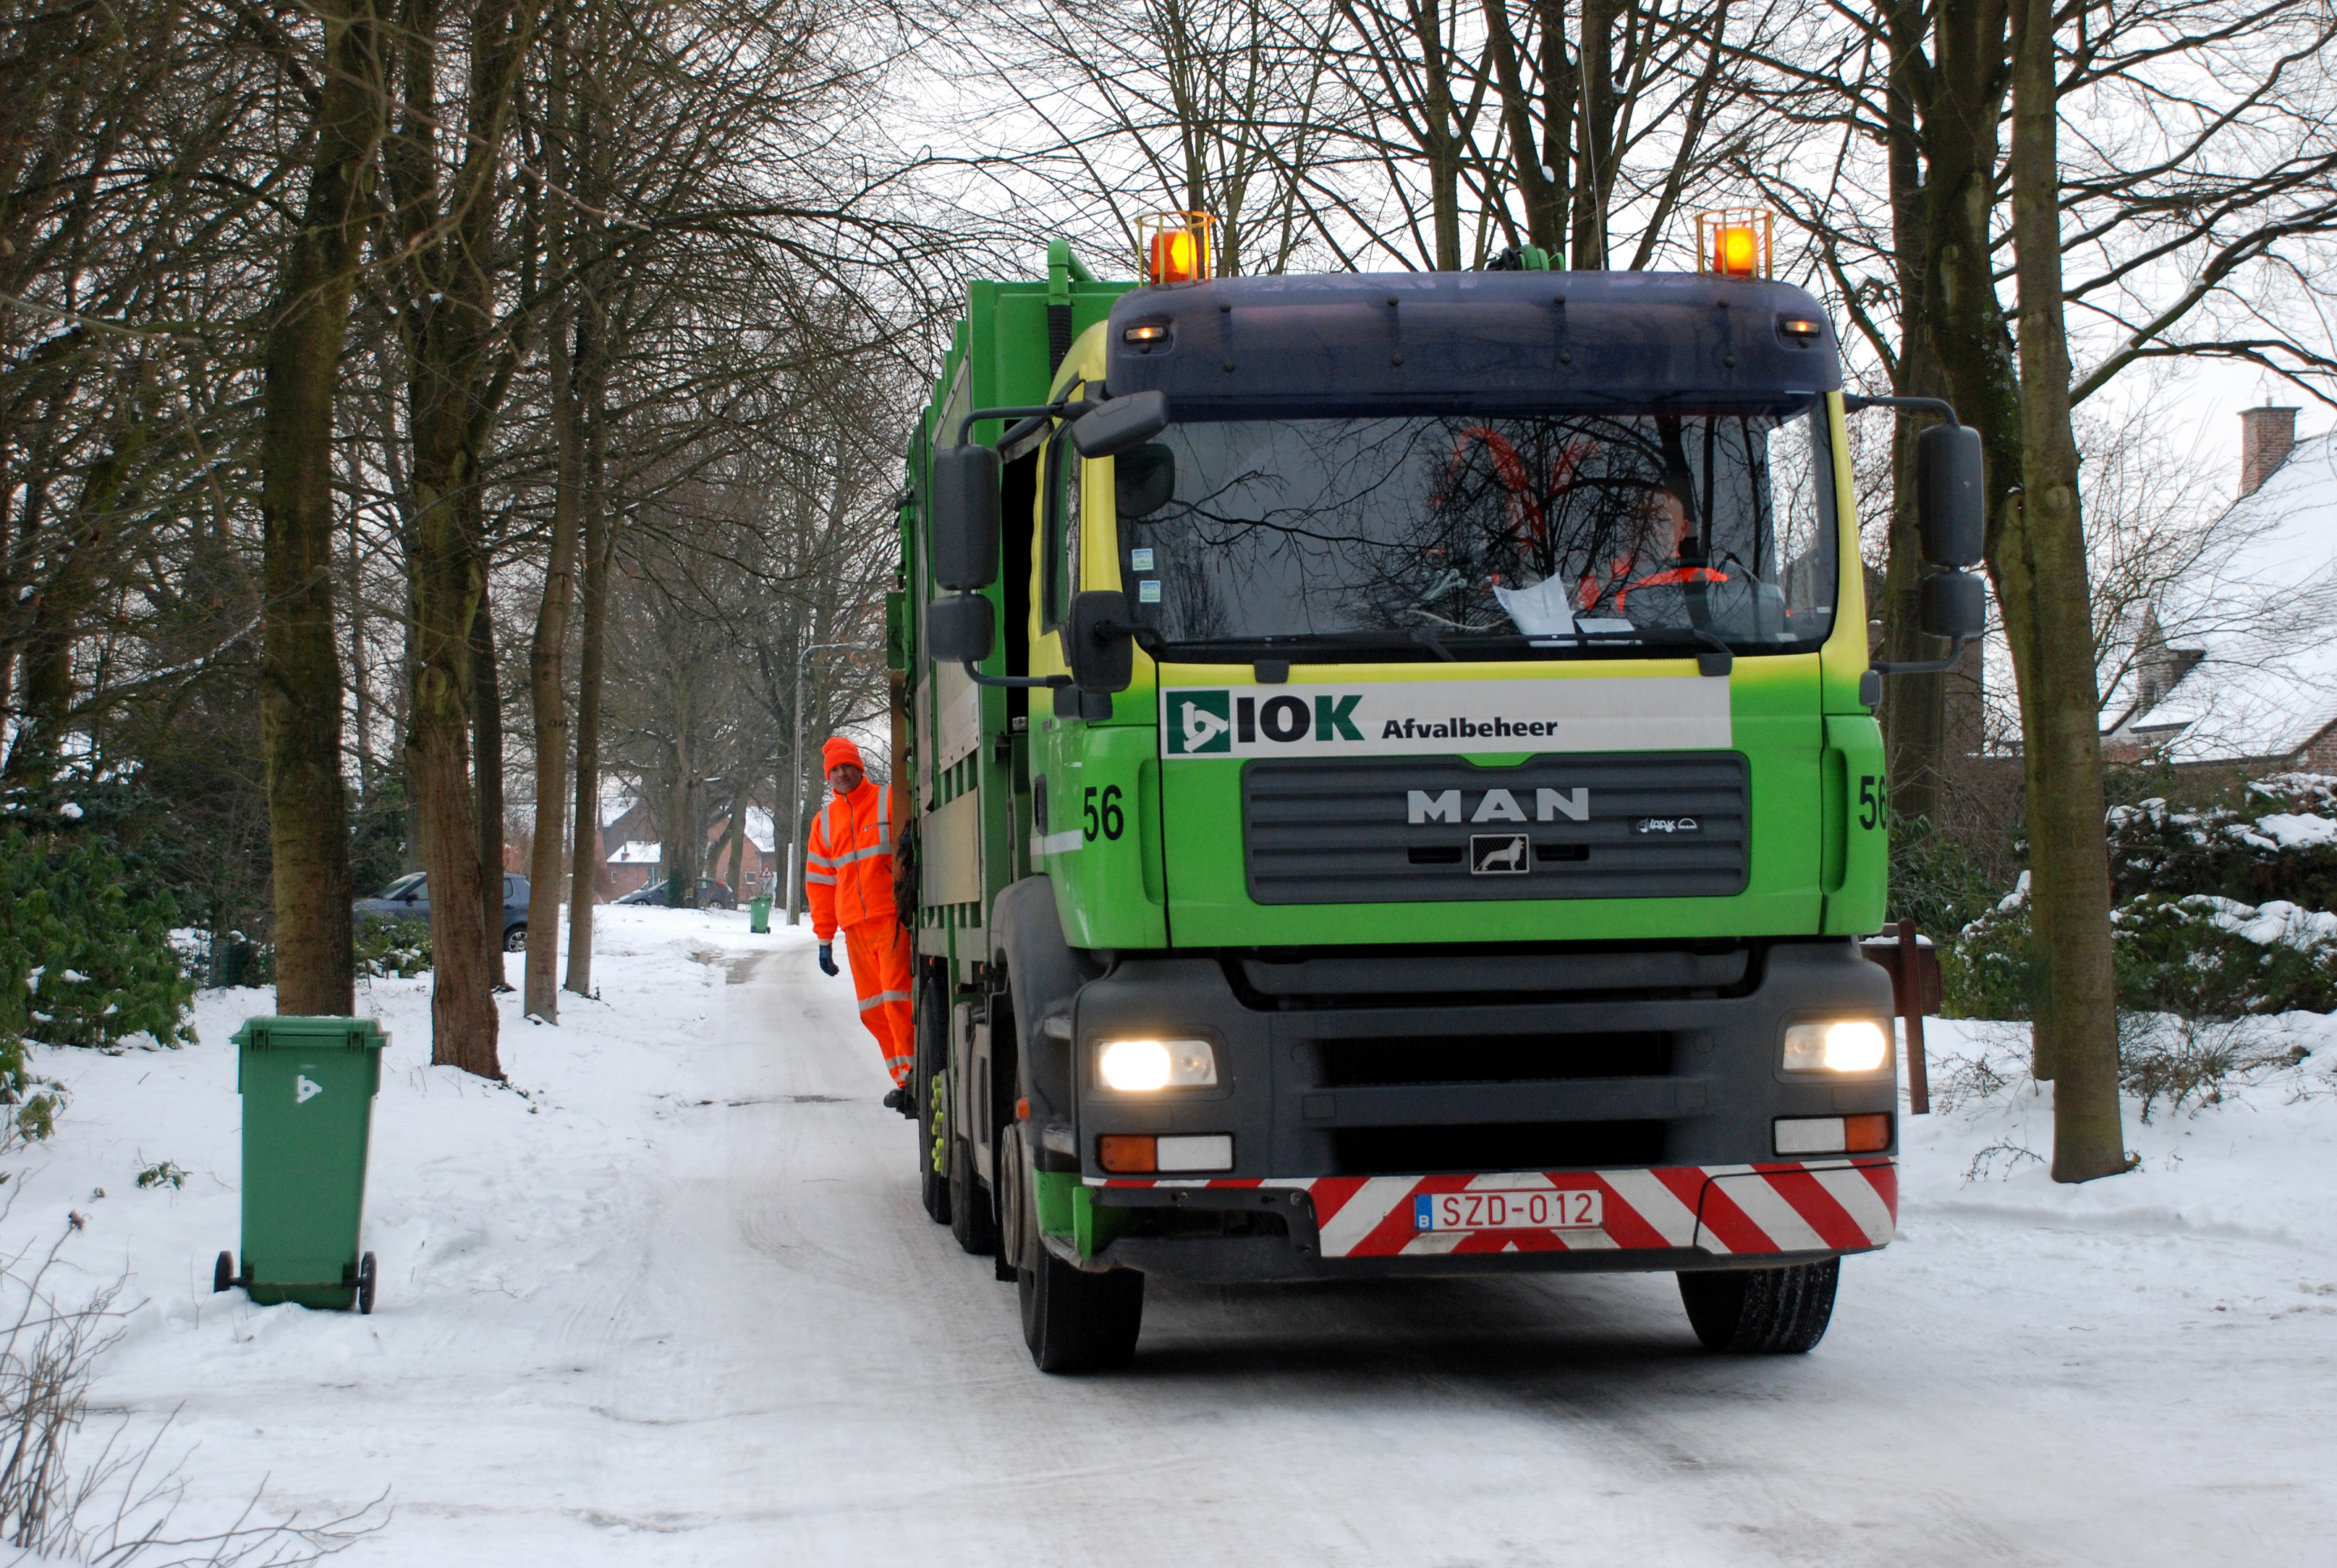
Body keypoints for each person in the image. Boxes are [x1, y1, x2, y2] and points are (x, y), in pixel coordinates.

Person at [805, 736, 915, 1111]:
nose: (841, 774)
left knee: (898, 1000)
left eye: (846, 766)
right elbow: (820, 884)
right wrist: (824, 938)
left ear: (859, 767)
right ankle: (904, 1079)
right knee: (872, 1010)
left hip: (892, 919)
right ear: (827, 777)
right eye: (834, 769)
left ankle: (915, 1073)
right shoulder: (824, 823)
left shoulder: (889, 800)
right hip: (855, 928)